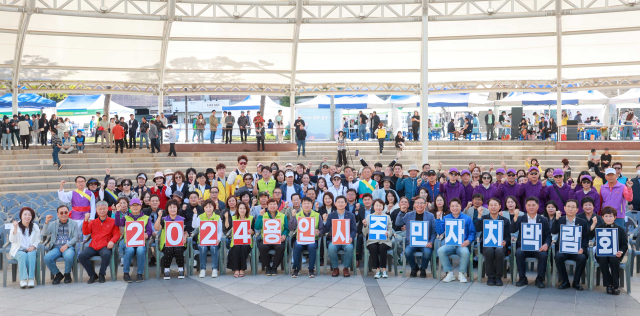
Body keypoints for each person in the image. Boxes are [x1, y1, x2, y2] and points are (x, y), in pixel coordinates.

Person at [511, 197, 551, 288]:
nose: (531, 207)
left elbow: (548, 235)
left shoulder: (543, 220)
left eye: (533, 205)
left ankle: (540, 279)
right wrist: (515, 217)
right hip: (524, 246)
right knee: (519, 252)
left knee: (544, 255)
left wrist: (546, 244)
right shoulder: (521, 218)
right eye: (529, 205)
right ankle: (522, 278)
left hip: (538, 247)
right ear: (525, 207)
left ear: (538, 207)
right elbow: (512, 230)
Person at [551, 199, 589, 291]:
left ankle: (576, 282)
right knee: (558, 256)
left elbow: (585, 238)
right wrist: (556, 219)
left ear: (577, 210)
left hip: (577, 250)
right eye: (568, 207)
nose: (570, 209)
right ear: (564, 208)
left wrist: (583, 249)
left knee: (582, 258)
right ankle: (565, 281)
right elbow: (553, 231)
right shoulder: (559, 219)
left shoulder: (583, 222)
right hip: (563, 249)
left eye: (573, 207)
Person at [79, 201, 121, 284]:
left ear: (107, 210)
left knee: (106, 254)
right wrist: (85, 220)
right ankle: (93, 275)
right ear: (97, 211)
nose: (102, 211)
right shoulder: (93, 222)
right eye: (100, 209)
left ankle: (102, 274)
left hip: (105, 246)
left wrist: (112, 241)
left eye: (104, 209)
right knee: (81, 256)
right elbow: (86, 232)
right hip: (93, 246)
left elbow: (117, 234)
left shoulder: (112, 221)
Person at [435, 198, 475, 283]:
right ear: (450, 207)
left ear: (461, 207)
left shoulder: (467, 218)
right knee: (440, 250)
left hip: (462, 244)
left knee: (465, 252)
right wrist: (438, 219)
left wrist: (468, 241)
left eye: (457, 206)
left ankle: (461, 273)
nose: (455, 208)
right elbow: (439, 231)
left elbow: (472, 233)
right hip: (450, 244)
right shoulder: (446, 218)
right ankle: (449, 273)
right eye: (452, 206)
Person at [395, 196, 435, 277]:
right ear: (414, 205)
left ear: (425, 205)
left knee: (427, 253)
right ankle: (414, 267)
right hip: (412, 242)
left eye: (421, 203)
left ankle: (423, 268)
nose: (419, 205)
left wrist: (431, 242)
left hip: (425, 242)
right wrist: (401, 212)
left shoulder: (430, 216)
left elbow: (434, 231)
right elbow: (398, 223)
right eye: (417, 203)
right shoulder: (409, 215)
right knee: (407, 252)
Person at [115, 198, 151, 283]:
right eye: (133, 206)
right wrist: (117, 211)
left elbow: (149, 230)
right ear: (130, 207)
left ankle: (139, 274)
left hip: (140, 242)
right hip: (128, 242)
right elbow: (117, 223)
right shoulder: (126, 217)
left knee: (140, 250)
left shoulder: (146, 218)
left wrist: (147, 235)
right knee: (130, 250)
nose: (135, 207)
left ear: (140, 206)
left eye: (137, 205)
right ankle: (126, 273)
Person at [593, 206, 628, 295]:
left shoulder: (620, 230)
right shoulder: (598, 228)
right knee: (602, 259)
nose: (608, 218)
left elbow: (624, 245)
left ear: (615, 217)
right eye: (606, 216)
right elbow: (590, 237)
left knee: (613, 260)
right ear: (602, 217)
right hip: (602, 254)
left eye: (611, 216)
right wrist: (593, 224)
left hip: (616, 254)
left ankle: (615, 286)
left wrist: (621, 251)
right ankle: (608, 284)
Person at [43, 205, 80, 284]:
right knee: (47, 258)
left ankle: (67, 274)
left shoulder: (74, 223)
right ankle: (58, 274)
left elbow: (76, 237)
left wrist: (66, 245)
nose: (63, 214)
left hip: (68, 247)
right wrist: (46, 222)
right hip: (56, 247)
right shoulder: (53, 224)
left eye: (65, 212)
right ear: (58, 214)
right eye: (61, 212)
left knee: (69, 256)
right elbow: (44, 233)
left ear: (68, 213)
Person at [289, 197, 322, 278]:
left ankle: (311, 269)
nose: (306, 205)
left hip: (312, 240)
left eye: (308, 203)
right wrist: (292, 217)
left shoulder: (317, 215)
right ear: (301, 205)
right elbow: (291, 228)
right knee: (296, 246)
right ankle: (296, 268)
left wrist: (319, 232)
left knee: (312, 247)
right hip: (300, 240)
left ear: (312, 205)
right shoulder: (297, 215)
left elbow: (322, 230)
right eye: (304, 204)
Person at [154, 200, 188, 280]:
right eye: (170, 207)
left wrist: (185, 237)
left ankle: (181, 270)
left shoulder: (182, 219)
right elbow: (156, 228)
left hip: (179, 242)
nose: (172, 209)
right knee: (168, 249)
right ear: (167, 209)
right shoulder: (164, 219)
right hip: (166, 242)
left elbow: (185, 232)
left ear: (177, 208)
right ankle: (166, 270)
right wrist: (159, 217)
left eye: (174, 207)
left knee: (178, 249)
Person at [256, 198, 289, 276]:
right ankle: (267, 267)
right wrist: (260, 216)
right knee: (262, 247)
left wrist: (284, 235)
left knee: (281, 248)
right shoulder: (263, 215)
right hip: (266, 239)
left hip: (278, 239)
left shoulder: (283, 216)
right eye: (270, 204)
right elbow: (257, 227)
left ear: (277, 206)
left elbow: (287, 229)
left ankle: (274, 267)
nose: (272, 206)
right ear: (267, 206)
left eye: (274, 204)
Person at [9, 207, 41, 288]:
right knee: (23, 255)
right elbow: (12, 240)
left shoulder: (35, 226)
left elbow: (38, 240)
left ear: (32, 216)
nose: (27, 216)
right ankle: (23, 280)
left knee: (31, 255)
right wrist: (15, 229)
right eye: (25, 214)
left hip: (30, 249)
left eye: (29, 215)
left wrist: (33, 246)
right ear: (21, 216)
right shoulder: (15, 226)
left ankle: (31, 279)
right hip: (18, 250)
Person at [326, 196, 357, 277]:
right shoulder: (331, 215)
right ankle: (335, 268)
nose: (340, 204)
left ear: (345, 204)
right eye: (338, 202)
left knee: (349, 248)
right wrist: (325, 221)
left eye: (342, 202)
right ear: (335, 204)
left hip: (346, 239)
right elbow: (326, 229)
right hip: (335, 239)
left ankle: (346, 268)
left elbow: (354, 230)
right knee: (331, 248)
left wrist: (351, 237)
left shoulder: (351, 215)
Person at [224, 200, 254, 277]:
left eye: (244, 208)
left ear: (247, 210)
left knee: (243, 248)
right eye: (240, 208)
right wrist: (227, 218)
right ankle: (236, 269)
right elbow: (228, 228)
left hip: (247, 241)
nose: (242, 210)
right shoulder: (234, 218)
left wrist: (251, 232)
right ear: (238, 209)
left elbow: (253, 232)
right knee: (236, 248)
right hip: (236, 241)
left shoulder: (251, 218)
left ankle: (242, 269)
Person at [192, 200, 221, 278]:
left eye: (210, 207)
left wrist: (218, 239)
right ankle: (203, 269)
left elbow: (219, 231)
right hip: (202, 241)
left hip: (214, 241)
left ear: (213, 208)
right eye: (206, 207)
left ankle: (214, 269)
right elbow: (194, 226)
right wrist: (195, 215)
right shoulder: (200, 216)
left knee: (214, 248)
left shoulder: (217, 217)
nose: (208, 209)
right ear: (203, 208)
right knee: (203, 248)